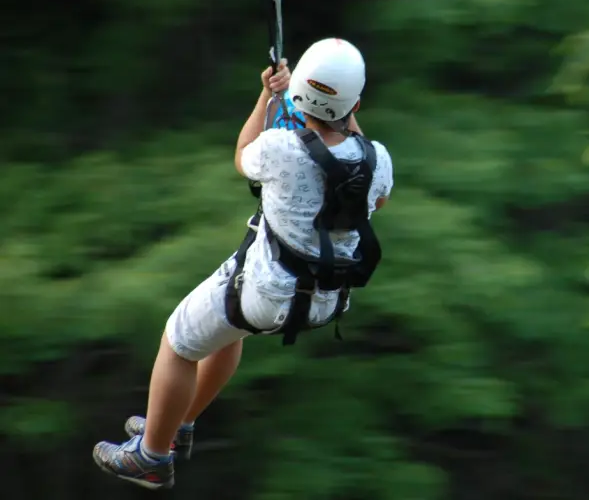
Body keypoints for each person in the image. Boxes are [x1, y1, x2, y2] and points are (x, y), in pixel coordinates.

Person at [92, 38, 394, 490]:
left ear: (301, 100)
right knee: (224, 329)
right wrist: (337, 114)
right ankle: (177, 424)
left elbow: (243, 155)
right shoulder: (378, 159)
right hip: (327, 299)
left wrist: (269, 97)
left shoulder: (279, 148)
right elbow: (376, 193)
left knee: (177, 341)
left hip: (267, 290)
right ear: (356, 103)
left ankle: (151, 458)